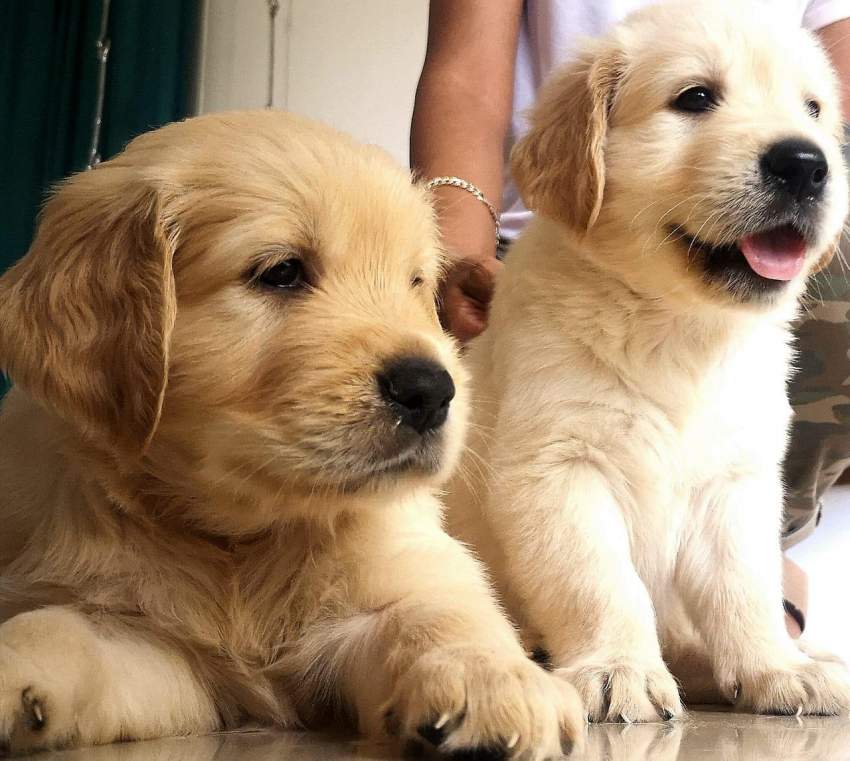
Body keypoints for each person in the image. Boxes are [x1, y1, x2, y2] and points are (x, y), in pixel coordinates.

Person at [411, 0, 850, 638]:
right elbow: (466, 75)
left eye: (808, 109)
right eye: (696, 98)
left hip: (727, 304)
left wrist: (755, 653)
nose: (800, 151)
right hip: (533, 252)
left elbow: (734, 488)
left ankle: (736, 618)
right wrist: (451, 257)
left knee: (734, 478)